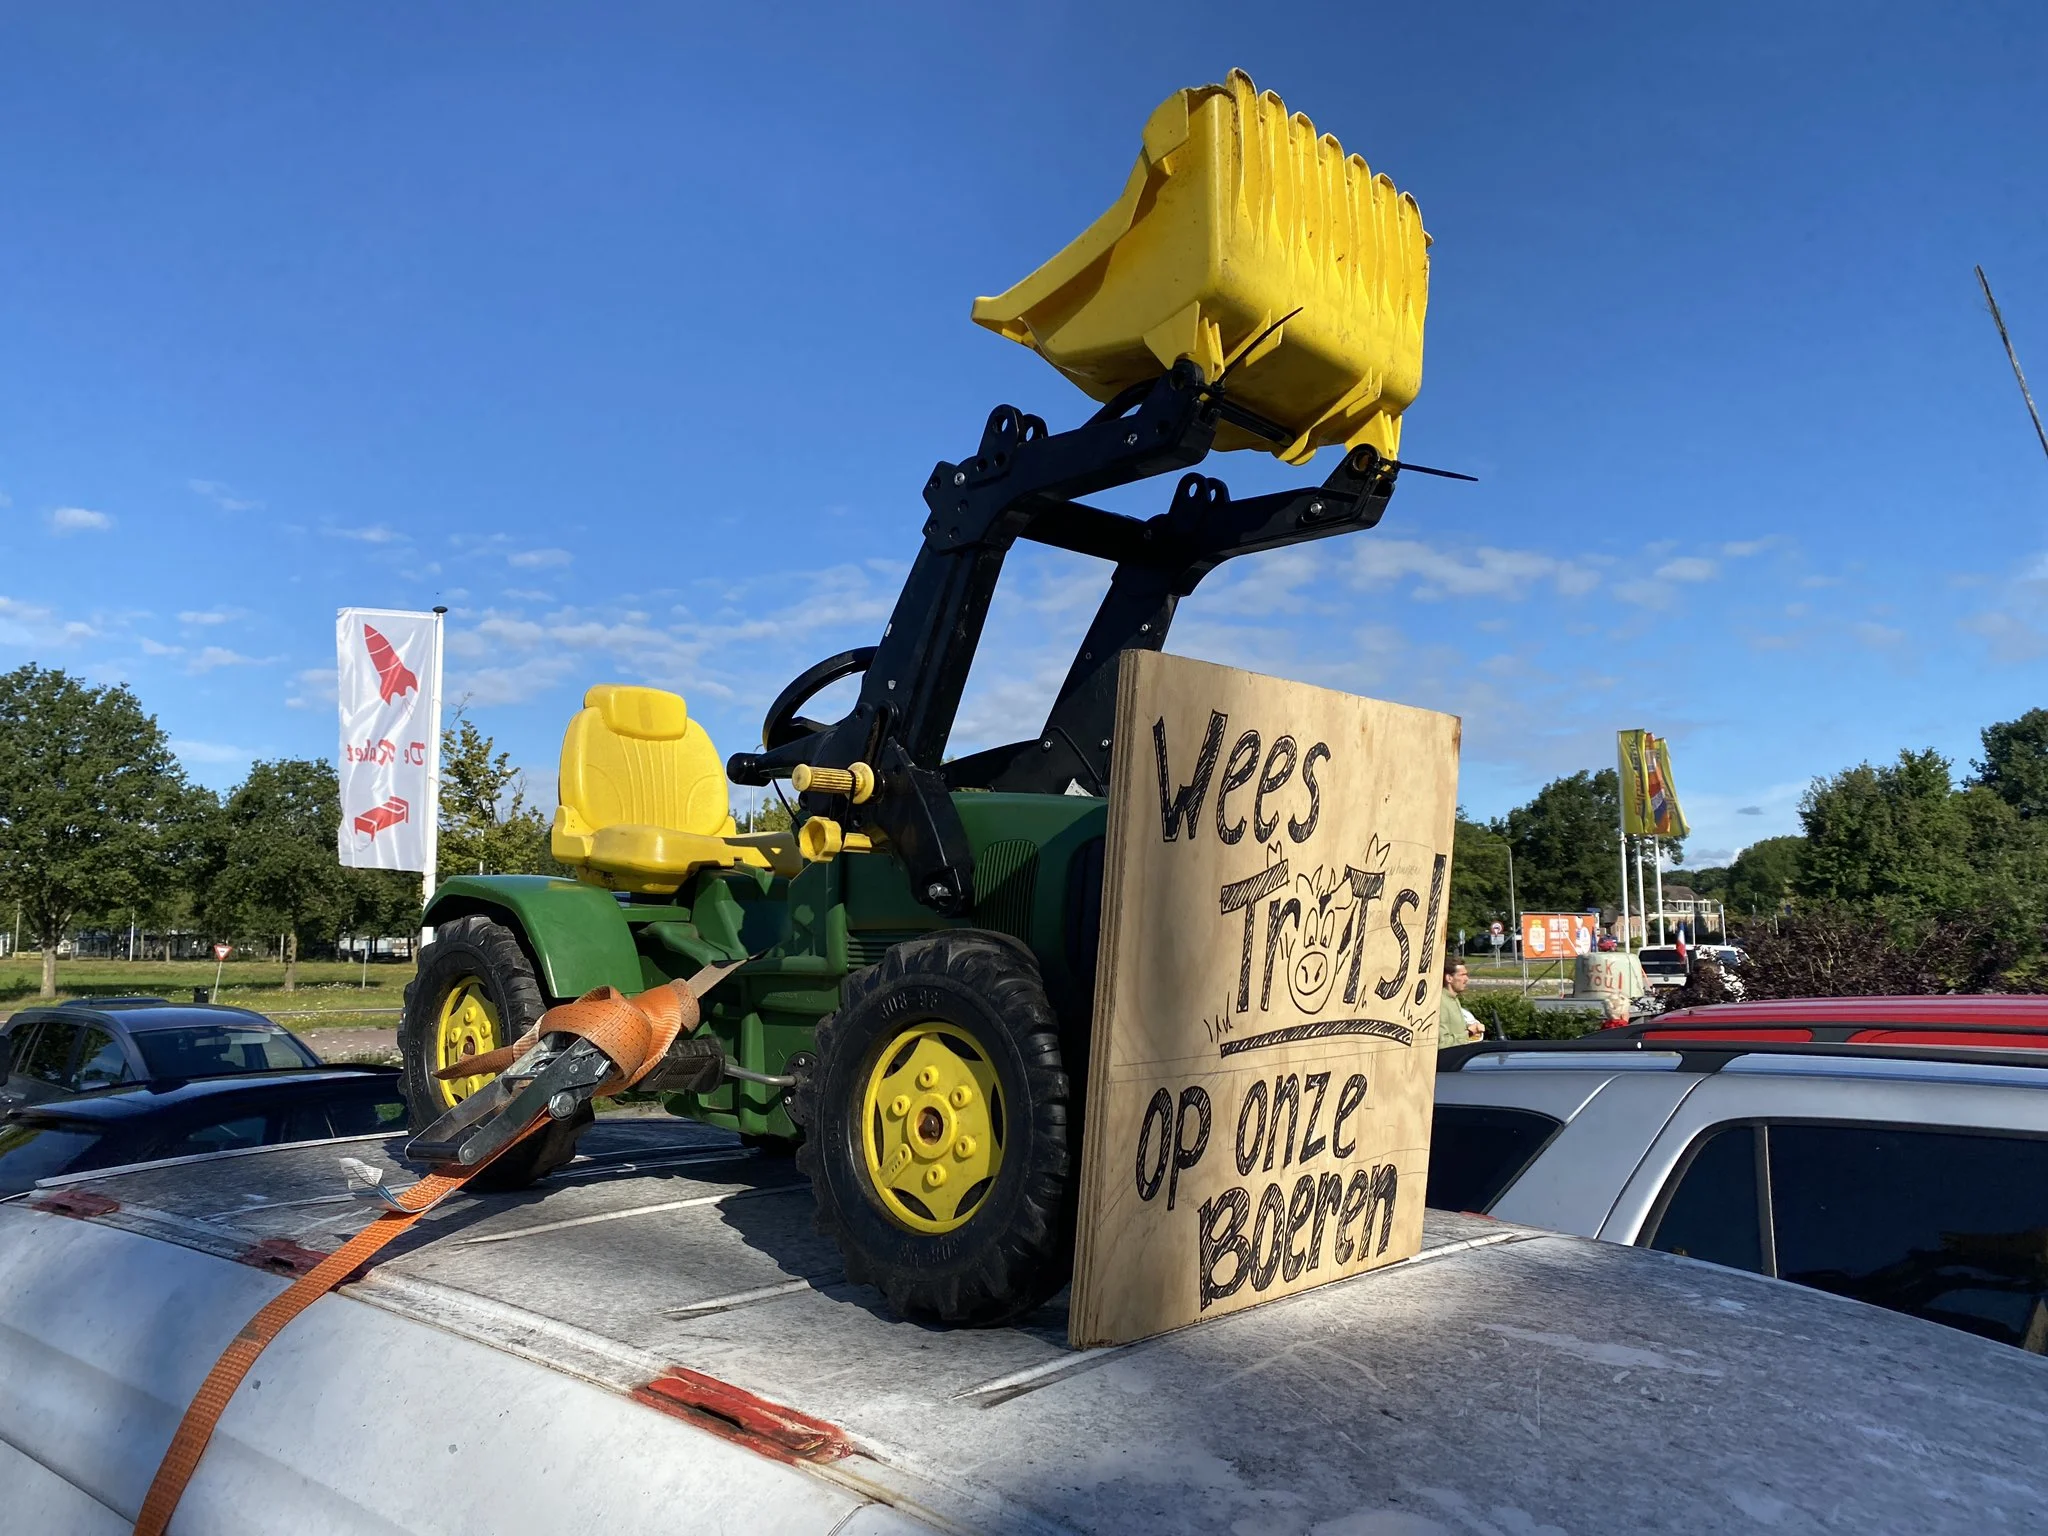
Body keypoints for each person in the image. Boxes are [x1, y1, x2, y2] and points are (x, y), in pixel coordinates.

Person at [1438, 958, 1485, 1046]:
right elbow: (1442, 1042)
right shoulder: (1441, 1002)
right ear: (1449, 978)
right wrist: (1469, 1032)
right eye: (1462, 975)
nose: (1466, 979)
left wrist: (1469, 1028)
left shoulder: (1454, 999)